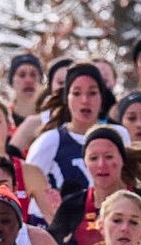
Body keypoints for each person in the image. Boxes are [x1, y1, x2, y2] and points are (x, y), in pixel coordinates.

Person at [28, 63, 117, 195]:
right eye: (76, 93)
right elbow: (30, 191)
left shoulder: (118, 135)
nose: (85, 100)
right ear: (67, 99)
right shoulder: (50, 141)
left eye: (92, 93)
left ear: (102, 98)